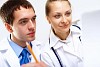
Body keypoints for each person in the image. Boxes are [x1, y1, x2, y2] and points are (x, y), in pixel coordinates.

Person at [0, 0, 47, 67]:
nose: (32, 26)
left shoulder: (45, 50)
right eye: (23, 22)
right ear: (9, 28)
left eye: (33, 19)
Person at [40, 0, 83, 67]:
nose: (64, 20)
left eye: (68, 13)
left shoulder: (84, 30)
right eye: (57, 16)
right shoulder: (46, 53)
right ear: (48, 19)